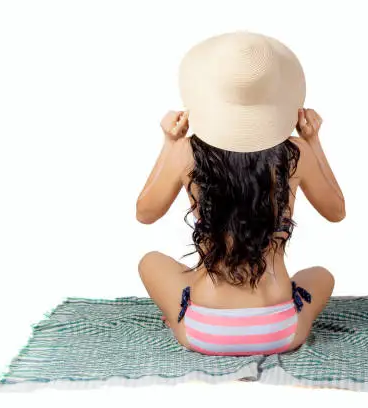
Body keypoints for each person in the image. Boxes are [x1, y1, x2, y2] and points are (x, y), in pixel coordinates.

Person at [136, 32, 345, 356]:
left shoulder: (186, 152)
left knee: (150, 262)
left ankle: (185, 312)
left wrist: (169, 144)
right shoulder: (296, 153)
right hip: (280, 329)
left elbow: (145, 213)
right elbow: (336, 211)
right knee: (322, 277)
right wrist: (314, 141)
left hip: (204, 330)